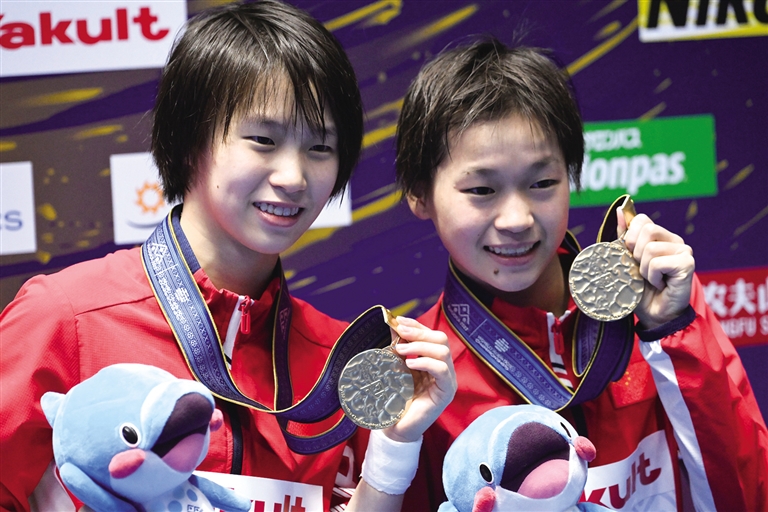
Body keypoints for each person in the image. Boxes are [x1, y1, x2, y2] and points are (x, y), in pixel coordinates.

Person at [0, 2, 456, 511]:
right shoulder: (67, 319)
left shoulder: (341, 364)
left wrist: (394, 446)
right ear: (189, 138)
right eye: (263, 140)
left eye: (320, 148)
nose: (294, 177)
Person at [395, 37, 768, 511]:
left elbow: (748, 496)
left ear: (571, 176)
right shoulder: (425, 378)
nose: (517, 219)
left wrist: (672, 333)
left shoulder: (657, 309)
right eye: (482, 190)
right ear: (419, 193)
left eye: (542, 182)